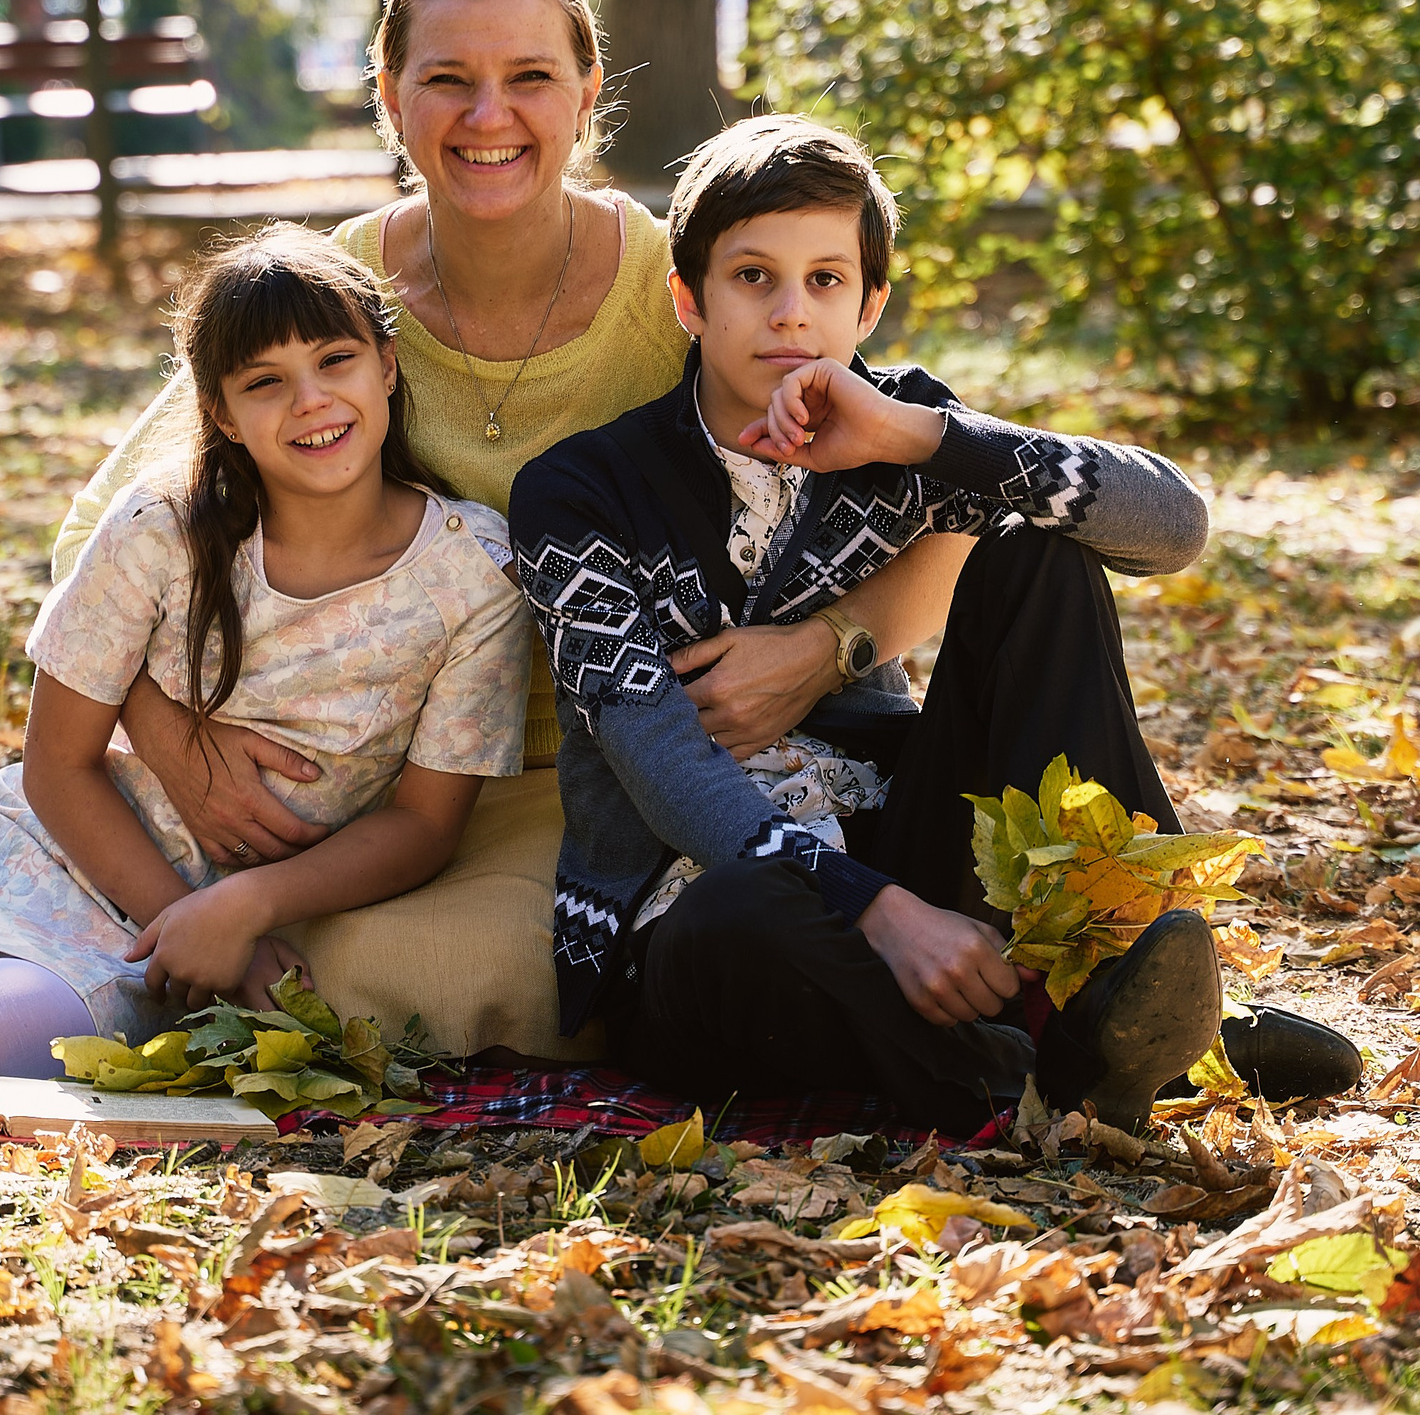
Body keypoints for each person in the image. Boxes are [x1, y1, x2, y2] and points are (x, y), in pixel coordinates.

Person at [48, 0, 973, 1061]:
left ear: (588, 93)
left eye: (530, 77)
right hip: (371, 786)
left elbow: (941, 515)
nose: (489, 117)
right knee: (302, 969)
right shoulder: (333, 289)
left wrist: (828, 648)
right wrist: (176, 737)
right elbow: (108, 541)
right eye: (446, 81)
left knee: (455, 983)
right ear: (390, 98)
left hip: (613, 770)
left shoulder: (682, 286)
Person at [510, 116, 1360, 1132]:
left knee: (1038, 553)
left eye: (826, 281)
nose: (791, 315)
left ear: (870, 303)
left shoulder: (905, 431)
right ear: (687, 299)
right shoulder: (577, 493)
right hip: (710, 919)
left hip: (903, 841)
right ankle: (1049, 1062)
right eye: (752, 278)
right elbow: (654, 759)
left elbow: (1171, 529)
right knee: (733, 917)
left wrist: (920, 436)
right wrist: (875, 908)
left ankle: (1114, 975)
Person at [0, 229, 532, 1089]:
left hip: (171, 940)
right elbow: (58, 764)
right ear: (220, 410)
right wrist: (179, 912)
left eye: (335, 361)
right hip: (43, 850)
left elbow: (423, 824)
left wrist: (238, 910)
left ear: (387, 363)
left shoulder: (470, 574)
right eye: (266, 382)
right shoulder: (159, 532)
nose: (310, 401)